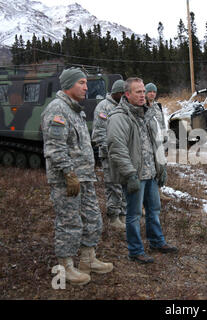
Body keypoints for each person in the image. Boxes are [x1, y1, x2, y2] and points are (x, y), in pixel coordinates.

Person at [41, 67, 113, 286]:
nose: (86, 87)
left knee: (93, 218)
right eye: (81, 82)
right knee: (69, 223)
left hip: (85, 177)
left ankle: (88, 260)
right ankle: (65, 269)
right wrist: (68, 173)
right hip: (67, 180)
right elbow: (55, 148)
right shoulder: (58, 110)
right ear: (68, 85)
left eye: (85, 82)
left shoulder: (75, 110)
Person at [107, 77, 178, 265]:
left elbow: (157, 144)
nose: (142, 95)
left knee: (154, 210)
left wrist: (161, 167)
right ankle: (135, 251)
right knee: (134, 215)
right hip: (135, 176)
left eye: (143, 91)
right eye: (137, 92)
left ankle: (157, 242)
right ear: (127, 94)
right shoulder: (119, 117)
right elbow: (117, 149)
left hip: (151, 175)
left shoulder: (149, 114)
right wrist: (130, 174)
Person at [92, 79, 127, 230]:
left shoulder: (124, 105)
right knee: (113, 185)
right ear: (117, 93)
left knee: (124, 185)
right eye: (123, 93)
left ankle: (123, 214)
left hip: (124, 154)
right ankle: (113, 216)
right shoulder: (103, 107)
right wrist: (112, 152)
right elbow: (99, 134)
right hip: (110, 155)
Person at [145, 82, 171, 202]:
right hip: (148, 143)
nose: (152, 94)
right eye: (149, 91)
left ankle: (158, 190)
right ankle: (147, 198)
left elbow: (162, 123)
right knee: (151, 169)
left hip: (159, 141)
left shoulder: (157, 106)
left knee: (161, 167)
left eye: (154, 92)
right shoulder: (143, 107)